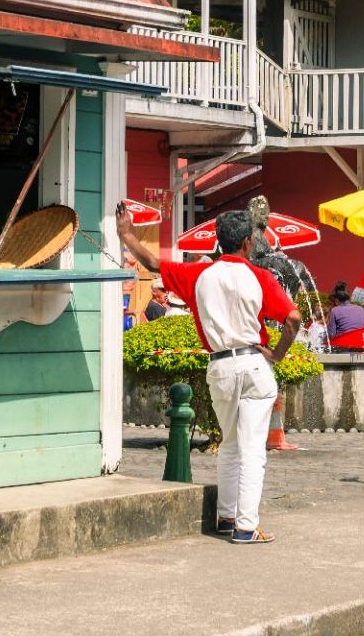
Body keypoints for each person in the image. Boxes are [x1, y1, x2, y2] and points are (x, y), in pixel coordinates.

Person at [118, 206, 300, 545]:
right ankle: (246, 526)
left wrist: (127, 235)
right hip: (253, 362)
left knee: (229, 445)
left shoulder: (199, 274)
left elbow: (154, 264)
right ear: (247, 243)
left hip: (219, 366)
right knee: (252, 449)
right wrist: (277, 353)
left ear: (218, 241)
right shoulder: (261, 277)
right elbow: (293, 318)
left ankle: (227, 517)